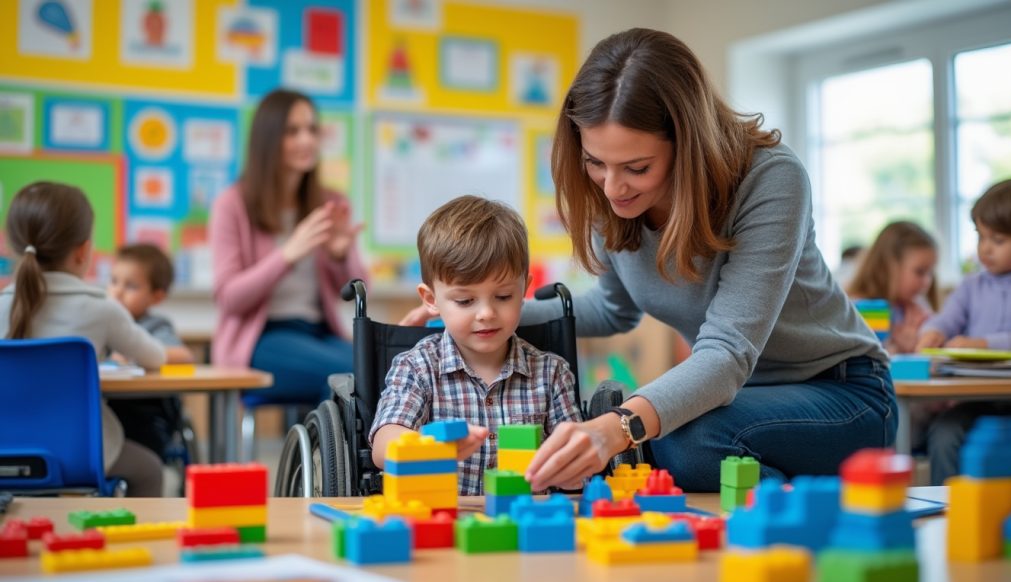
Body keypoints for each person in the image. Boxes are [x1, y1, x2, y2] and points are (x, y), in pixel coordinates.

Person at [402, 29, 896, 492]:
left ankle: (806, 520)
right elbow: (612, 310)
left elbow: (726, 356)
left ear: (689, 146)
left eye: (637, 168)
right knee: (678, 436)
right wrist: (487, 312)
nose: (612, 187)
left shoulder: (771, 179)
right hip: (732, 401)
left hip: (841, 394)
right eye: (595, 162)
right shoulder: (613, 200)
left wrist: (618, 427)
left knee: (684, 437)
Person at [371, 196, 582, 495]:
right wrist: (429, 447)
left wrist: (570, 468)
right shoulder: (417, 366)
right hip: (442, 517)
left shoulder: (551, 372)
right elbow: (383, 446)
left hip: (526, 521)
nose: (486, 313)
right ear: (431, 300)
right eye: (465, 301)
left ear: (524, 289)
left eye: (504, 296)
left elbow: (577, 454)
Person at [0, 182, 167, 496]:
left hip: (5, 453)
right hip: (82, 456)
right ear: (82, 251)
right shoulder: (101, 308)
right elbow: (156, 357)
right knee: (149, 469)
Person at [210, 89, 368, 405]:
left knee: (377, 368)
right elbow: (229, 298)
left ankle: (336, 453)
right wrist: (287, 255)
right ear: (268, 139)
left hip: (319, 333)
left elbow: (362, 289)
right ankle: (332, 454)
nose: (307, 140)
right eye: (293, 131)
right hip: (261, 340)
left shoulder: (330, 203)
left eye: (312, 129)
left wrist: (340, 255)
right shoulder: (233, 204)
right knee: (352, 372)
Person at [915, 178, 1011, 484]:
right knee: (944, 433)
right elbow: (945, 319)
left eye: (998, 240)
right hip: (976, 398)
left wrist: (983, 343)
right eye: (980, 236)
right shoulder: (971, 286)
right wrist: (932, 332)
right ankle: (947, 516)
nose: (985, 249)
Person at [106, 243, 194, 464]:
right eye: (114, 281)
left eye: (131, 286)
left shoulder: (155, 325)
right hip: (107, 409)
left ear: (157, 296)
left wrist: (138, 354)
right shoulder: (102, 322)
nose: (117, 291)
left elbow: (185, 356)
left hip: (146, 414)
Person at [846, 221, 939, 354]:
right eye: (920, 272)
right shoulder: (859, 309)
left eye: (930, 273)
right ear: (889, 267)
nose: (927, 282)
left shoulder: (916, 307)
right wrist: (898, 348)